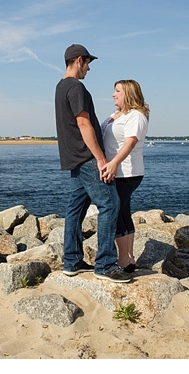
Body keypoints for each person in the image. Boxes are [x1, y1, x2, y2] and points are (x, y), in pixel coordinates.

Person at [54, 43, 132, 283]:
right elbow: (83, 124)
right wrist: (100, 158)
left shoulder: (60, 87)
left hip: (73, 158)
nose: (89, 69)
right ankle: (106, 265)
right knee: (110, 204)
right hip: (87, 158)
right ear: (79, 60)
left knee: (75, 209)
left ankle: (72, 260)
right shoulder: (77, 88)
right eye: (88, 63)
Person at [101, 79, 150, 272]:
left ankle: (123, 259)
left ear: (128, 94)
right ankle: (128, 258)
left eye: (118, 91)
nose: (113, 94)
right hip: (119, 171)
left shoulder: (135, 116)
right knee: (123, 212)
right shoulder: (116, 115)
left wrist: (113, 163)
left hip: (127, 172)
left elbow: (129, 143)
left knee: (116, 211)